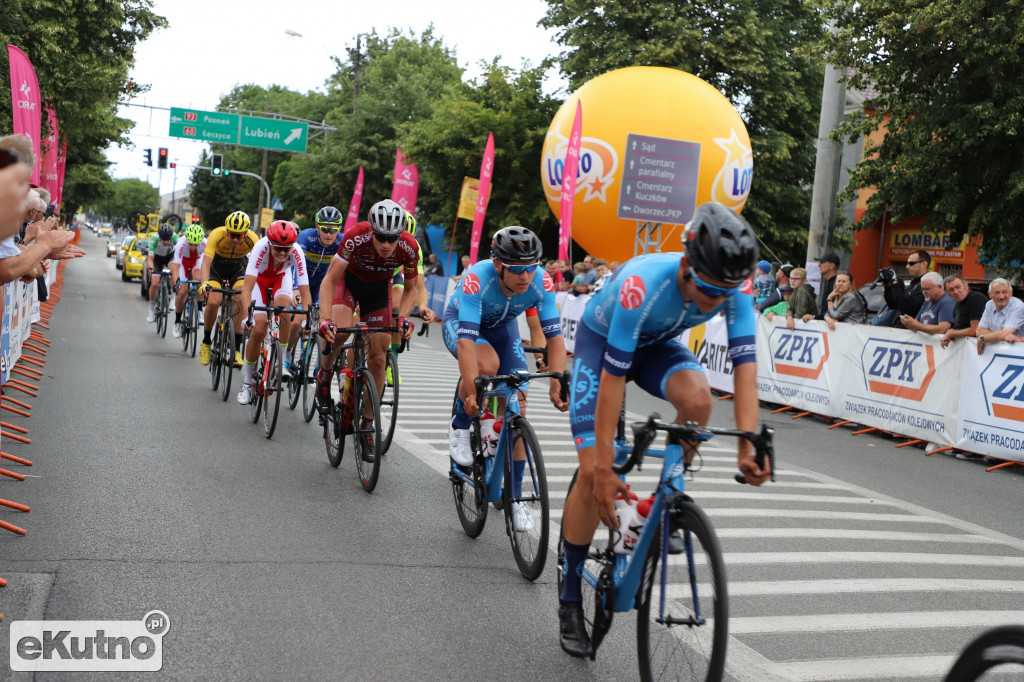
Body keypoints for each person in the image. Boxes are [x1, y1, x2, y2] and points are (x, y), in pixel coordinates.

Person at [557, 202, 770, 658]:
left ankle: (661, 504)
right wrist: (602, 464)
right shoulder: (642, 285)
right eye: (708, 289)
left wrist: (747, 444)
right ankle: (570, 593)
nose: (716, 302)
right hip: (603, 346)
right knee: (597, 469)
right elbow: (612, 380)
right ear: (687, 265)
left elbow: (745, 368)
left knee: (698, 400)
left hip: (657, 345)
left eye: (725, 293)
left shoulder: (736, 288)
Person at [443, 226, 567, 530]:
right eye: (517, 270)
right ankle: (460, 426)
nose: (525, 276)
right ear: (498, 264)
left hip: (503, 331)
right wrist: (472, 394)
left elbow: (555, 338)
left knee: (516, 409)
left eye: (531, 268)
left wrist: (557, 380)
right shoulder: (477, 280)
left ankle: (515, 499)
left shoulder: (542, 283)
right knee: (487, 366)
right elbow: (466, 344)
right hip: (463, 325)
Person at [317, 199, 419, 462]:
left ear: (400, 234)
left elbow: (411, 289)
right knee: (339, 332)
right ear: (372, 231)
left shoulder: (409, 247)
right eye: (381, 237)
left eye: (392, 238)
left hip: (378, 291)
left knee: (379, 353)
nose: (386, 245)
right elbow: (329, 280)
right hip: (347, 283)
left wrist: (404, 317)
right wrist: (325, 318)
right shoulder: (354, 237)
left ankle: (367, 426)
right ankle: (325, 375)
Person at [236, 220, 310, 405]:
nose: (283, 253)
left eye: (287, 248)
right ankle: (247, 381)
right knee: (259, 329)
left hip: (280, 279)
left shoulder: (297, 250)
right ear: (270, 243)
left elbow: (304, 289)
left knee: (285, 310)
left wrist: (307, 320)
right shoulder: (260, 247)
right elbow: (247, 287)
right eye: (278, 248)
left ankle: (281, 362)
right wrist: (247, 316)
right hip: (259, 282)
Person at [197, 211, 260, 367]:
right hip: (216, 268)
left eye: (239, 236)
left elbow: (258, 267)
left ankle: (237, 349)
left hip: (237, 268)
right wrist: (205, 283)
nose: (234, 239)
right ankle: (206, 342)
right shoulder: (216, 235)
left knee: (239, 300)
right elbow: (205, 263)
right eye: (231, 234)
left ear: (246, 233)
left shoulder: (253, 239)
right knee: (213, 302)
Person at [170, 223, 206, 338]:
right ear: (187, 240)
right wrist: (177, 282)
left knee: (198, 280)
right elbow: (176, 267)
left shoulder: (205, 243)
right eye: (191, 244)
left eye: (196, 244)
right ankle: (177, 321)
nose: (193, 247)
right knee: (182, 292)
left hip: (197, 261)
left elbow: (208, 263)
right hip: (183, 263)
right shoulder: (181, 243)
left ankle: (200, 310)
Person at [882, 249, 930, 328]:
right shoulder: (914, 283)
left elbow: (906, 306)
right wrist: (887, 286)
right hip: (898, 328)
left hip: (911, 332)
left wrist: (895, 282)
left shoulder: (926, 284)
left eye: (911, 263)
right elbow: (893, 305)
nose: (907, 267)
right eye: (907, 263)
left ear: (924, 264)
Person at [976, 278, 1024, 354]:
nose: (1001, 296)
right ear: (990, 294)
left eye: (1005, 292)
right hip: (998, 354)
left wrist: (983, 338)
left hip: (1017, 354)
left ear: (1011, 293)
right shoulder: (989, 304)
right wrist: (999, 336)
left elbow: (1004, 334)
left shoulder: (1018, 306)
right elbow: (979, 331)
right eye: (997, 293)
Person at [939, 275, 988, 348]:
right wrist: (952, 333)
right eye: (951, 290)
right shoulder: (958, 304)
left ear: (966, 286)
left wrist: (951, 333)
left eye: (958, 287)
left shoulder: (975, 298)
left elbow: (976, 330)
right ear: (948, 293)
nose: (955, 292)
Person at [814, 252, 840, 319]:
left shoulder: (837, 284)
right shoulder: (829, 282)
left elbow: (834, 309)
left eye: (822, 262)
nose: (818, 265)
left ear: (832, 265)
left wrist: (814, 317)